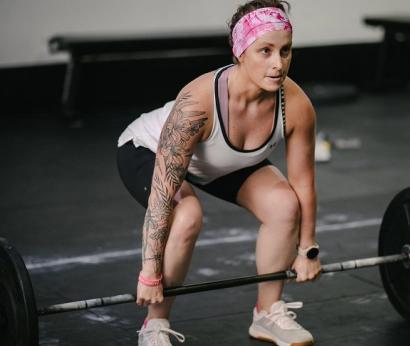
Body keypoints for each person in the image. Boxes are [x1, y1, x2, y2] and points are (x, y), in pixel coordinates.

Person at [116, 1, 321, 345]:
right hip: (147, 150)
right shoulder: (197, 104)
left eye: (285, 51)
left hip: (218, 163)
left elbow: (303, 182)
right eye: (265, 51)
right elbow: (163, 195)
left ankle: (267, 313)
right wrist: (150, 273)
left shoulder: (296, 103)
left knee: (285, 205)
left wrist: (307, 250)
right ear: (240, 51)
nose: (278, 63)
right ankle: (155, 324)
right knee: (187, 215)